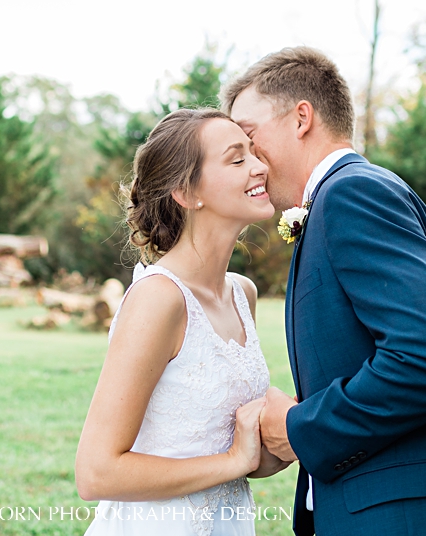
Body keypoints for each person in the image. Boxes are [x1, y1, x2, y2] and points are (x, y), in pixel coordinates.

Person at [221, 47, 426, 536]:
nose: (246, 158)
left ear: (302, 118)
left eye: (249, 136)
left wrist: (302, 428)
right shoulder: (338, 199)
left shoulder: (352, 193)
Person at [76, 108, 292, 535]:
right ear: (187, 193)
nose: (260, 166)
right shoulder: (160, 299)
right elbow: (96, 473)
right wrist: (233, 461)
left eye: (254, 153)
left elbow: (225, 453)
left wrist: (274, 447)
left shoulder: (242, 294)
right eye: (237, 159)